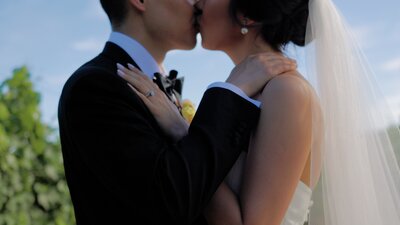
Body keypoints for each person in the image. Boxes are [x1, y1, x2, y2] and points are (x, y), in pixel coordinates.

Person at [121, 0, 400, 224]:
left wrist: (182, 131)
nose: (198, 3)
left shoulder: (287, 92)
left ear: (246, 14)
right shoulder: (250, 92)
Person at [57, 0, 297, 224]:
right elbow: (170, 202)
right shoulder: (95, 86)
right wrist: (232, 90)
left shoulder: (161, 89)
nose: (197, 3)